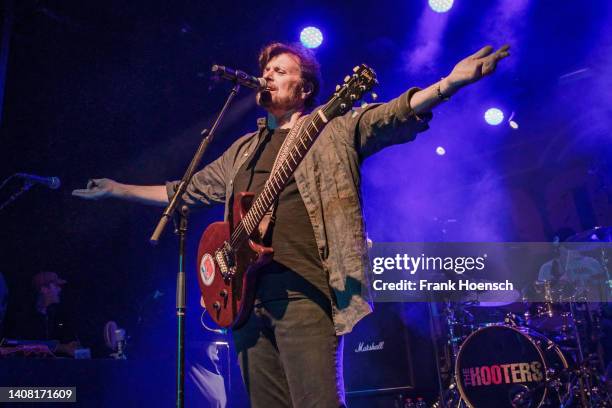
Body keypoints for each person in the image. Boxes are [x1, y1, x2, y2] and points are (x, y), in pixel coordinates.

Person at [73, 42, 509, 407]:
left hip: (304, 293)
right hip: (243, 302)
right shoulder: (244, 149)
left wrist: (449, 84)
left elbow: (391, 115)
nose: (267, 75)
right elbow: (185, 190)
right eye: (265, 69)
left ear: (304, 88)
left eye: (279, 70)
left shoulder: (333, 129)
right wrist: (118, 189)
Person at [14, 271, 80, 357]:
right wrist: (62, 348)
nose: (60, 289)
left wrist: (71, 344)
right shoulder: (26, 316)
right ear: (44, 289)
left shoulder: (56, 315)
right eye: (56, 286)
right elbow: (26, 344)